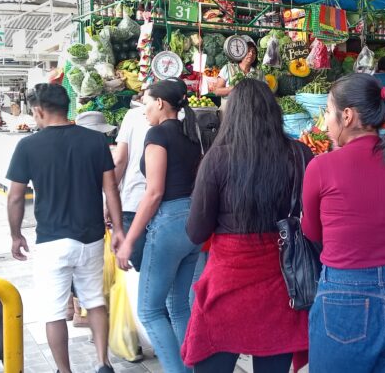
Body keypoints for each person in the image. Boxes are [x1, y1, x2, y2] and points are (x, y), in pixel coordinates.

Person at [301, 74, 385, 373]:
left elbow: (311, 232)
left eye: (328, 111)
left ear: (347, 116)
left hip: (343, 300)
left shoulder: (321, 167)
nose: (327, 122)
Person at [182, 79, 312, 373]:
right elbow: (312, 221)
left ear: (233, 114)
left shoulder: (217, 158)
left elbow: (196, 232)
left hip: (227, 284)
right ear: (274, 112)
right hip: (282, 283)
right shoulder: (300, 154)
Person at [6, 84, 124, 373]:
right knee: (94, 300)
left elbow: (15, 197)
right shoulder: (96, 141)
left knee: (54, 312)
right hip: (91, 237)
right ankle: (102, 362)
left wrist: (15, 234)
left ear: (39, 111)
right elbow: (111, 189)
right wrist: (118, 229)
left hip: (52, 240)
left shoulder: (28, 146)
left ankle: (65, 370)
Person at [115, 79, 201, 373]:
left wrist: (129, 240)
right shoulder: (192, 135)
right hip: (193, 224)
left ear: (161, 103)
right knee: (179, 307)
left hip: (168, 222)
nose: (145, 110)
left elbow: (153, 193)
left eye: (147, 102)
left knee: (149, 310)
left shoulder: (157, 135)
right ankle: (191, 368)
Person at [112, 97, 152, 270]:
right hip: (170, 206)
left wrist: (110, 199)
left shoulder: (134, 115)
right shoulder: (186, 116)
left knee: (141, 269)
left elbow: (120, 160)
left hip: (134, 201)